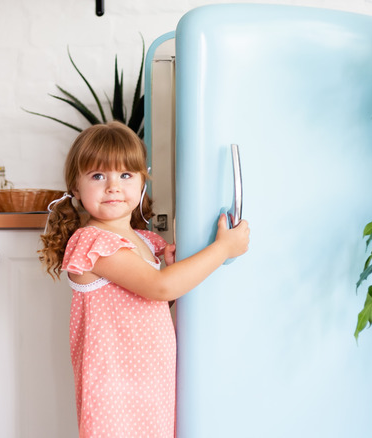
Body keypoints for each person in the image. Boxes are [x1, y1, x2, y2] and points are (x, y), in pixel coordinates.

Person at [39, 121, 250, 437]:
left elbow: (155, 302)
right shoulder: (92, 241)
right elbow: (160, 287)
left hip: (151, 383)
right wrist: (222, 249)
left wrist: (171, 272)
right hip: (114, 389)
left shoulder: (147, 241)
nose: (113, 186)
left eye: (125, 175)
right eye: (98, 176)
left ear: (141, 184)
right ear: (76, 189)